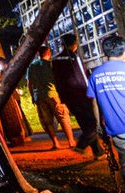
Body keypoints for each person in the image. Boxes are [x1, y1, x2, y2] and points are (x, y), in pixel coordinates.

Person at [52, 33, 101, 155]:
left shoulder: (56, 59)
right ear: (74, 44)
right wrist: (90, 92)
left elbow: (56, 79)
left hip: (67, 96)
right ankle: (81, 145)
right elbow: (83, 77)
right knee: (94, 124)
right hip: (81, 94)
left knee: (85, 123)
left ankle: (97, 152)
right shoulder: (74, 57)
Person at [27, 45, 77, 150]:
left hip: (39, 96)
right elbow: (59, 80)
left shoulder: (32, 66)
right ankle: (71, 141)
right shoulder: (52, 65)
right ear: (48, 53)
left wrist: (33, 96)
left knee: (47, 121)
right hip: (54, 95)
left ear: (39, 54)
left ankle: (55, 143)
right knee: (63, 118)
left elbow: (29, 83)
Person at [88, 35, 125, 163]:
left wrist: (98, 125)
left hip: (116, 130)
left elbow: (94, 102)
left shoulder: (95, 75)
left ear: (105, 53)